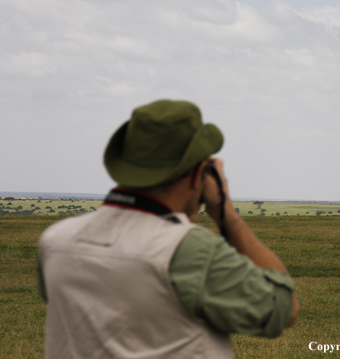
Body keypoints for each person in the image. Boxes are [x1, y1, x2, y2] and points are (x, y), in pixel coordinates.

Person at [37, 99, 298, 358]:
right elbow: (282, 309)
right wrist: (225, 212)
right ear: (199, 174)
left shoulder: (56, 241)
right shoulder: (189, 249)